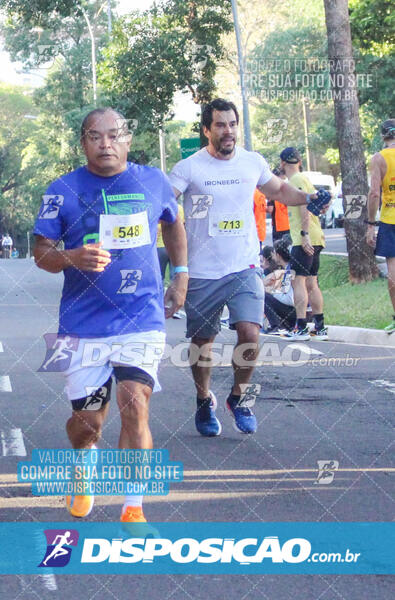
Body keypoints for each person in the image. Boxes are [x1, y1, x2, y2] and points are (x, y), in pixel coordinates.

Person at [33, 108, 188, 523]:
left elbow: (173, 225)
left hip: (142, 315)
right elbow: (40, 253)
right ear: (82, 142)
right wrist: (71, 257)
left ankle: (132, 507)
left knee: (135, 404)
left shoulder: (153, 180)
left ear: (127, 139)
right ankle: (83, 465)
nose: (105, 144)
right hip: (83, 324)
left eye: (114, 135)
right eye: (95, 136)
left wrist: (182, 275)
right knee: (88, 424)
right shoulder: (62, 189)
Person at [168, 98, 330, 437]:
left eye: (232, 124)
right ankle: (203, 399)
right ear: (206, 130)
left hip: (244, 266)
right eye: (220, 125)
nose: (228, 131)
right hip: (202, 271)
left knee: (251, 333)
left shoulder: (251, 162)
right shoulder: (189, 168)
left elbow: (280, 190)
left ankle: (238, 397)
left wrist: (309, 199)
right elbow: (166, 204)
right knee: (202, 344)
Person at [279, 147, 327, 341]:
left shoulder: (295, 181)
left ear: (282, 163)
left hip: (303, 238)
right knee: (311, 282)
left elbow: (304, 208)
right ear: (299, 161)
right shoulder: (305, 178)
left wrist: (304, 234)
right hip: (317, 236)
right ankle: (320, 327)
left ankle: (300, 327)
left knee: (297, 280)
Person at [366, 119, 395, 333]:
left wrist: (370, 224)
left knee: (393, 269)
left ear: (383, 136)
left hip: (389, 219)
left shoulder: (379, 158)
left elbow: (375, 193)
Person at [157, 202, 185, 318]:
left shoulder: (159, 205)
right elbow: (181, 226)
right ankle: (175, 308)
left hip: (159, 247)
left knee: (159, 277)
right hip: (173, 247)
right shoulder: (179, 208)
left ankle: (159, 305)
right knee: (175, 276)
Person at [263, 239, 296, 333]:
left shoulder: (290, 271)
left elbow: (290, 300)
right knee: (266, 292)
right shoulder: (288, 269)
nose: (272, 255)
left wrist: (271, 291)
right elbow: (283, 292)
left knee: (264, 295)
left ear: (278, 255)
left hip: (294, 312)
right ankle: (280, 325)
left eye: (274, 252)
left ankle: (277, 326)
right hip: (293, 311)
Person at [266, 167, 290, 241]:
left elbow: (270, 209)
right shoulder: (287, 189)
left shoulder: (272, 191)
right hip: (288, 224)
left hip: (278, 226)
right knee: (288, 247)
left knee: (278, 248)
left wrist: (261, 207)